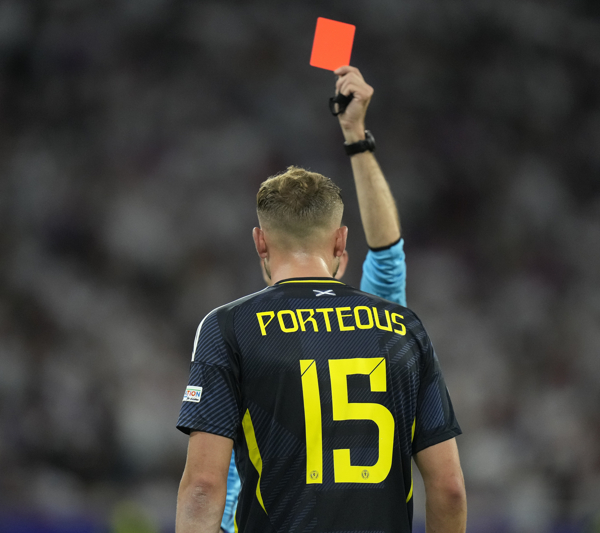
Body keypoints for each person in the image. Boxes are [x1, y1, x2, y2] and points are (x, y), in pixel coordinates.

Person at [176, 67, 466, 533]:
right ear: (340, 245)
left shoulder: (233, 329)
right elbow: (449, 489)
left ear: (260, 243)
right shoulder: (396, 328)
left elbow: (203, 487)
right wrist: (356, 137)